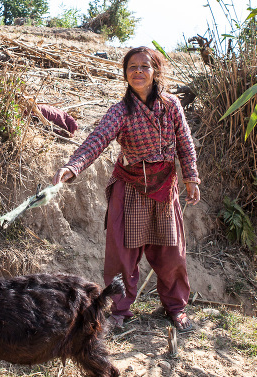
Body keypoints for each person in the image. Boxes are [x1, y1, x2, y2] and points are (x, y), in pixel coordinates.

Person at [52, 46, 201, 333]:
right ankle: (119, 310)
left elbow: (185, 143)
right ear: (125, 74)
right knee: (122, 255)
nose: (138, 72)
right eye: (132, 67)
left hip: (165, 188)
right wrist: (74, 166)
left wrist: (191, 177)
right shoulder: (119, 111)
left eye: (144, 66)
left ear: (155, 71)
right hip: (130, 187)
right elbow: (98, 139)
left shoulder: (171, 106)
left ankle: (176, 308)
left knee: (172, 254)